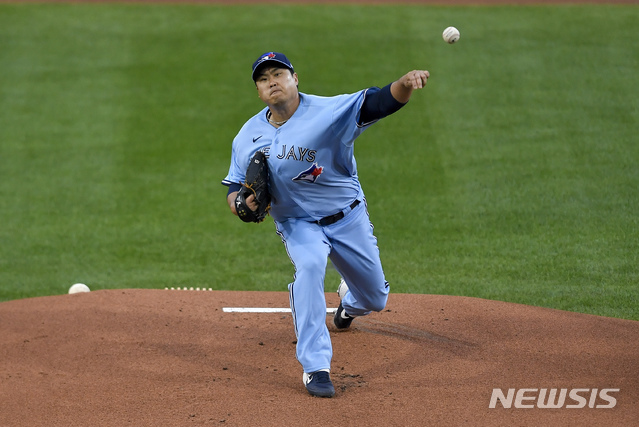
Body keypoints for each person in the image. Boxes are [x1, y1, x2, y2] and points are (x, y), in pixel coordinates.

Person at [222, 52, 430, 398]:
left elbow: (377, 103)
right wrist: (240, 204)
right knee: (310, 265)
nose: (272, 81)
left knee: (376, 299)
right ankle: (315, 367)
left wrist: (404, 85)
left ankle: (349, 303)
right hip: (297, 223)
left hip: (347, 217)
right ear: (259, 90)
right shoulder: (247, 135)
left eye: (279, 73)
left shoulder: (327, 112)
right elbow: (234, 187)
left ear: (295, 78)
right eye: (263, 78)